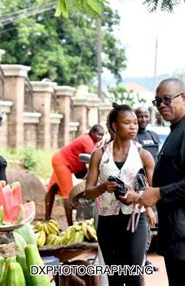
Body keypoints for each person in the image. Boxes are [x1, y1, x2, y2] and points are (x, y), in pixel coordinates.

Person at [137, 78, 185, 286]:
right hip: (177, 233)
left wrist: (158, 193)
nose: (162, 105)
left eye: (167, 99)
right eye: (157, 101)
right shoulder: (178, 128)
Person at [85, 103, 156, 286]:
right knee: (115, 277)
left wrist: (145, 205)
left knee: (133, 276)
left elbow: (154, 190)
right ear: (115, 126)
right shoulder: (99, 155)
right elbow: (88, 192)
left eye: (134, 122)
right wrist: (102, 188)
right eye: (127, 122)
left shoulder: (143, 155)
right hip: (107, 221)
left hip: (134, 220)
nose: (134, 126)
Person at [45, 124, 105, 226]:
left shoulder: (90, 140)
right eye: (99, 134)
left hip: (61, 160)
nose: (100, 137)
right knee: (68, 195)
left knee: (53, 189)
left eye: (102, 135)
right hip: (62, 163)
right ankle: (70, 226)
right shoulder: (87, 140)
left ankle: (47, 219)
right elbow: (92, 159)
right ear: (93, 132)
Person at [134, 106, 160, 272]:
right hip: (138, 186)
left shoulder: (154, 136)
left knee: (150, 225)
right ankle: (138, 259)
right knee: (139, 225)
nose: (143, 119)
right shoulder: (132, 137)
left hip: (154, 186)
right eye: (139, 117)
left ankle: (144, 259)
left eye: (145, 116)